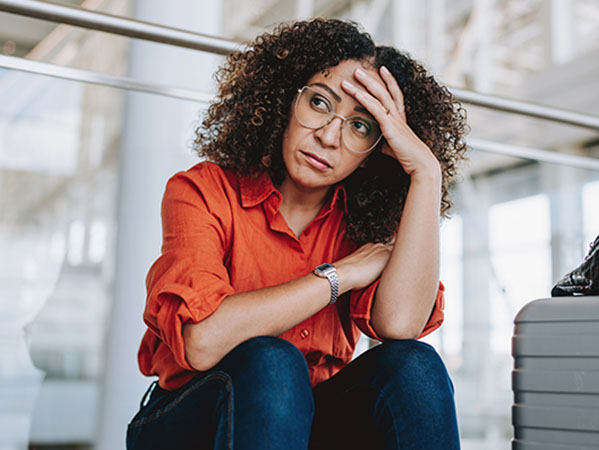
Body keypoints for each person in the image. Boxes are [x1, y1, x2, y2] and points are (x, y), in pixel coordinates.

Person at [125, 17, 468, 450]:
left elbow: (399, 325)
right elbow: (203, 342)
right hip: (191, 418)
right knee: (273, 361)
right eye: (320, 103)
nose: (328, 137)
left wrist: (426, 171)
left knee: (414, 365)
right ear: (286, 100)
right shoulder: (203, 191)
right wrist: (340, 276)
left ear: (374, 151)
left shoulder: (366, 224)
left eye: (360, 126)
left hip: (304, 423)